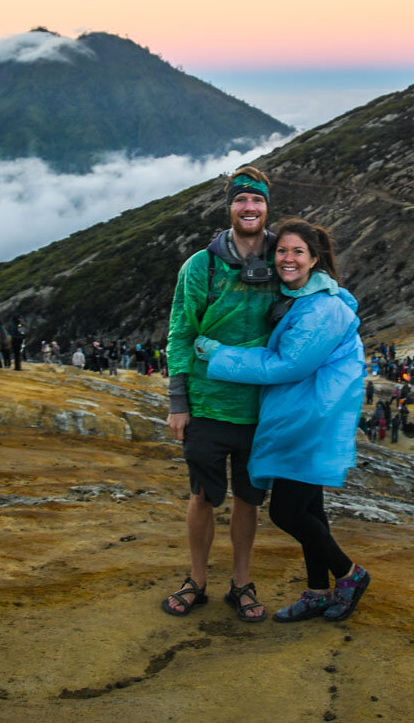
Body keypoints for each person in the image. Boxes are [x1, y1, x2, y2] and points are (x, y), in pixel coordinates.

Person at [197, 217, 371, 623]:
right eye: (282, 251)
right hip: (306, 413)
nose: (287, 259)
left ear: (314, 259)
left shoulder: (323, 309)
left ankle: (349, 574)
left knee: (286, 513)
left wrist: (218, 354)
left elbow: (287, 365)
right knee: (313, 511)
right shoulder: (299, 297)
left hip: (312, 420)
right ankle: (317, 590)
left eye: (297, 252)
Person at [161, 166, 278, 622]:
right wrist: (178, 402)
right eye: (241, 200)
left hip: (262, 406)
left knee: (249, 499)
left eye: (258, 201)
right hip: (208, 403)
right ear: (228, 206)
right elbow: (180, 331)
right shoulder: (200, 266)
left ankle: (241, 583)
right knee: (202, 496)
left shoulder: (284, 259)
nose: (249, 208)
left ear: (268, 207)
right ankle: (197, 580)